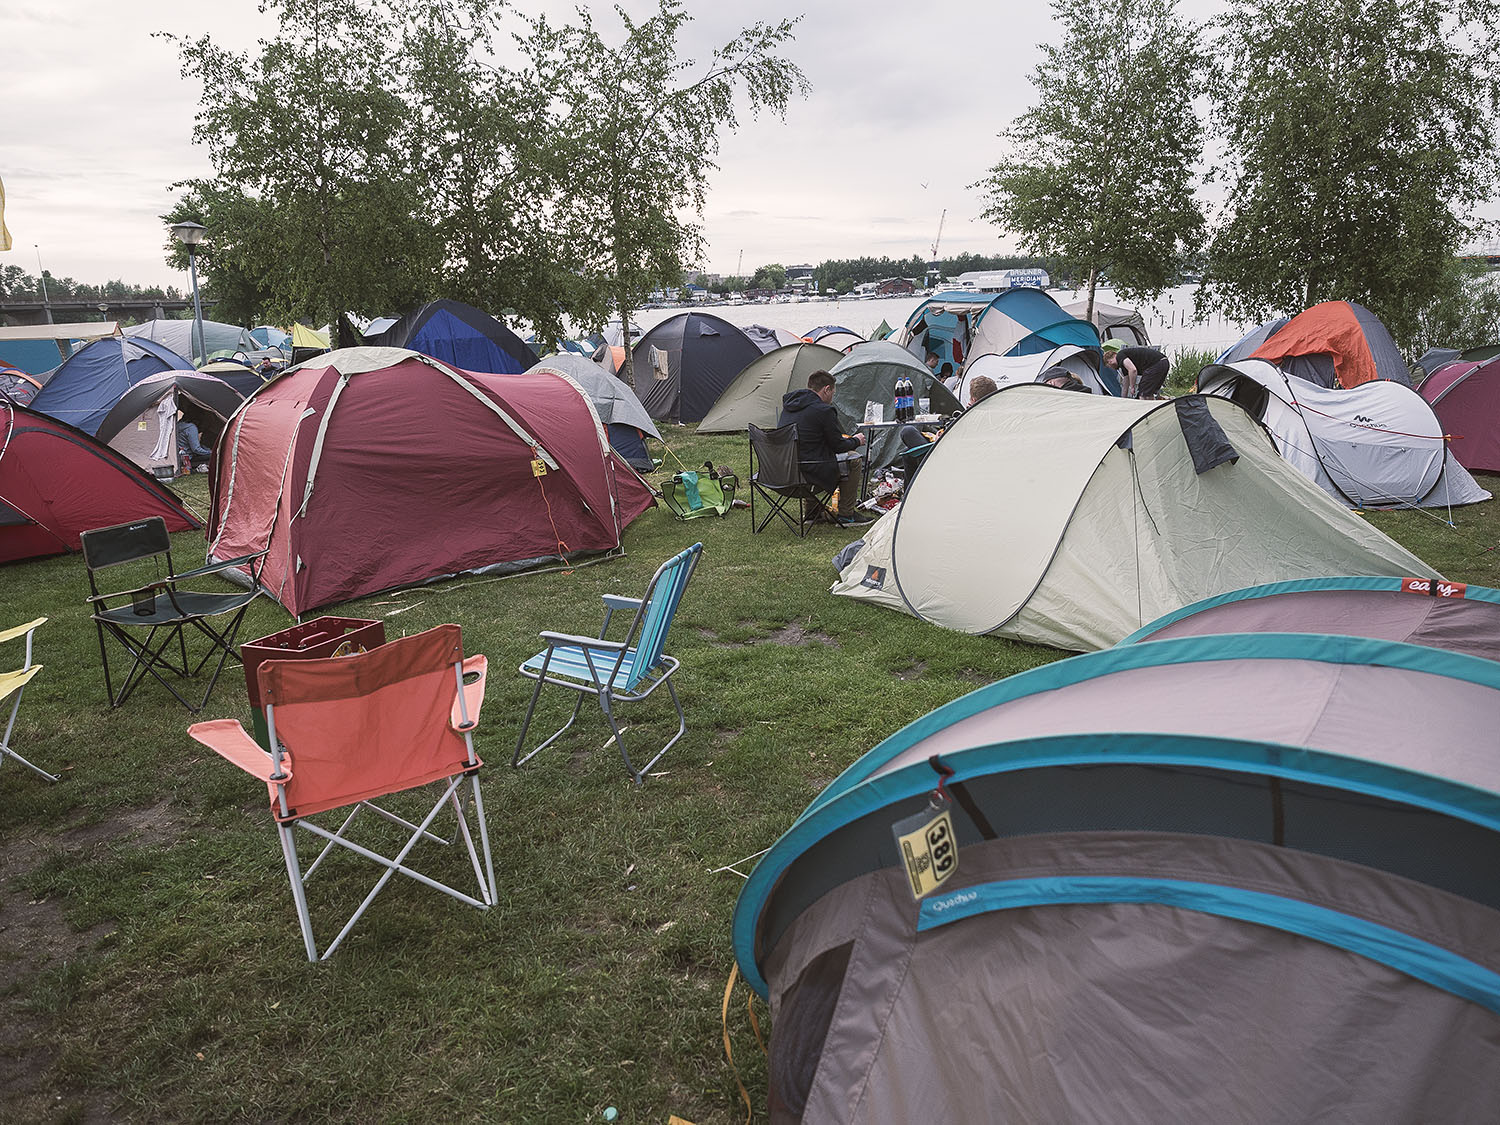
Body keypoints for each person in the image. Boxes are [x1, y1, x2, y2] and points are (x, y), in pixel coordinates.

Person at [778, 370, 871, 525]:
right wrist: (856, 440)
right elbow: (838, 446)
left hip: (782, 471)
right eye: (833, 393)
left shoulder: (789, 406)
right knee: (853, 459)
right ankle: (846, 514)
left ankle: (812, 512)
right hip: (809, 473)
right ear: (826, 389)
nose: (832, 398)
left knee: (808, 454)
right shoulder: (824, 410)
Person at [1102, 339, 1170, 399]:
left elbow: (1133, 370)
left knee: (1143, 395)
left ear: (1109, 361)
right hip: (1163, 362)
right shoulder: (1123, 364)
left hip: (1156, 364)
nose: (1112, 368)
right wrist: (1122, 400)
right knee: (1149, 393)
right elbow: (1125, 384)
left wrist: (1132, 387)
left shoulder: (1120, 355)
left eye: (1109, 366)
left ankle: (1145, 411)